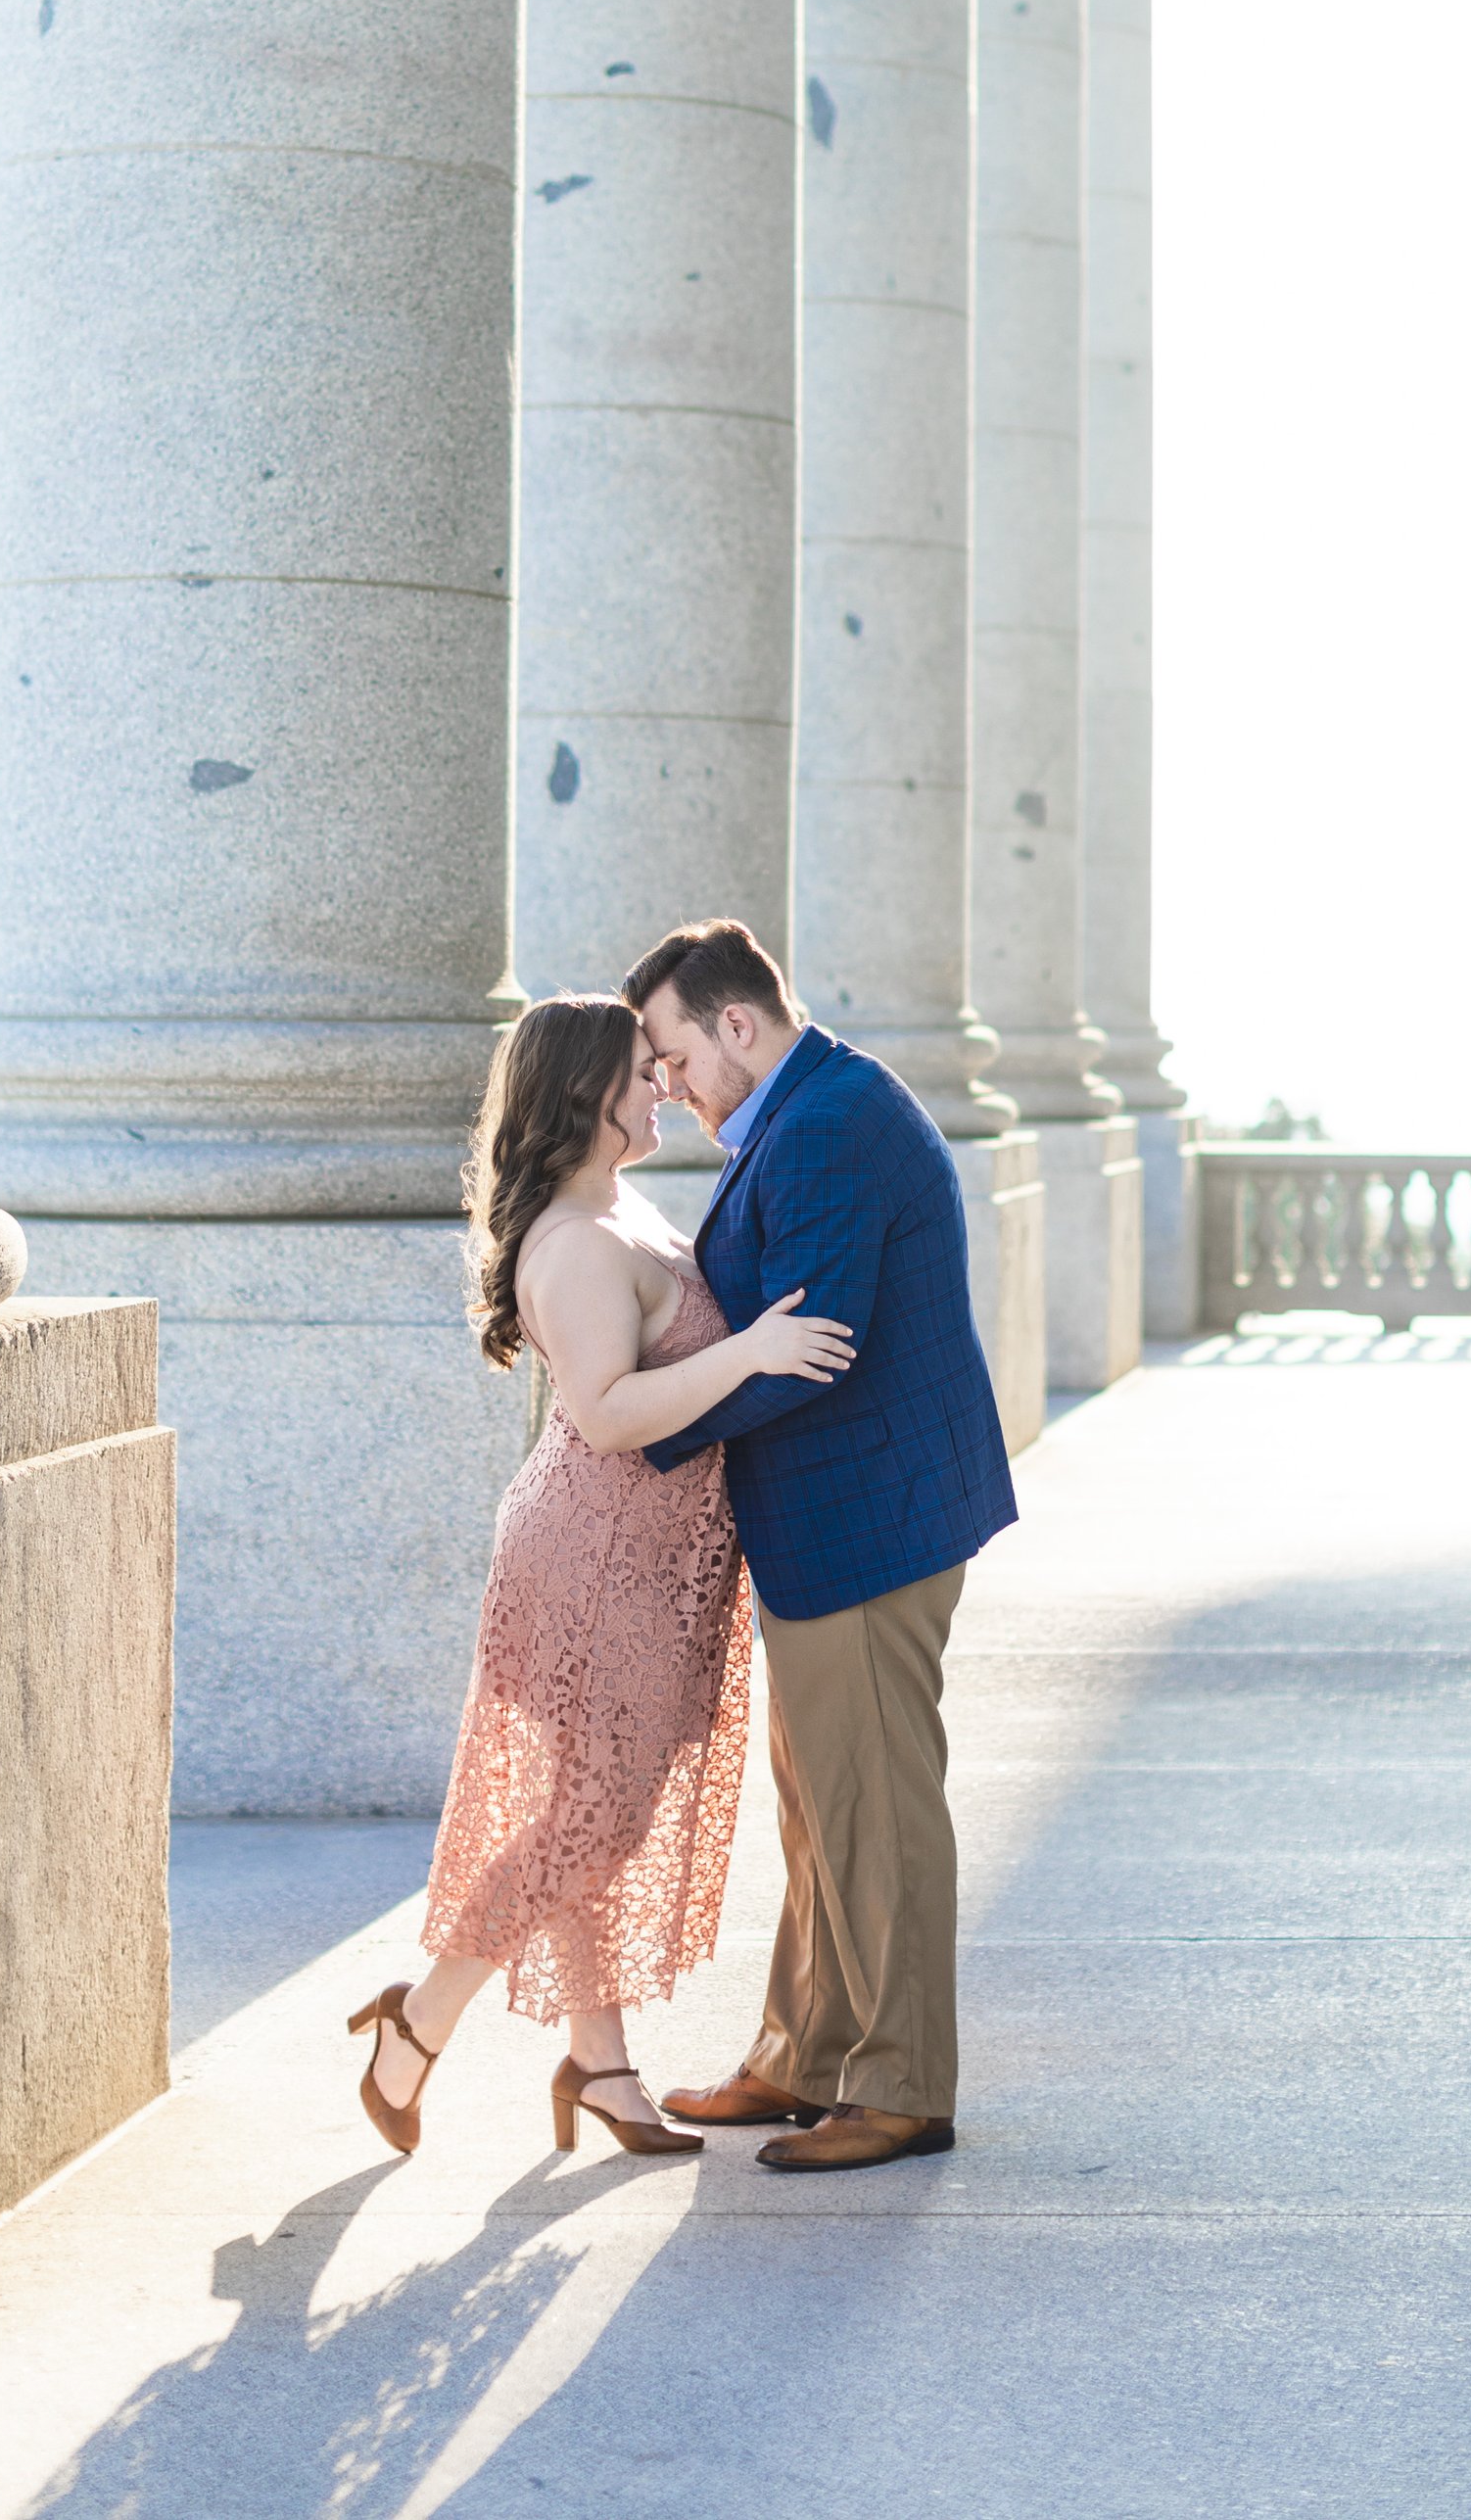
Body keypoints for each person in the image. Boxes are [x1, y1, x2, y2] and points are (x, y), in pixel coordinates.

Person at [348, 992, 856, 2160]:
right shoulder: (574, 1245)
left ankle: (602, 2066)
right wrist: (754, 1349)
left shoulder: (618, 1208)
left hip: (653, 1558)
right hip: (595, 1557)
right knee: (594, 1815)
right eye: (640, 1072)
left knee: (593, 1806)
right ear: (583, 1095)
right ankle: (416, 2025)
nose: (662, 1085)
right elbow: (610, 1415)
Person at [624, 918, 1018, 2172]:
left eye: (675, 1057)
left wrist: (631, 1438)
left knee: (875, 1808)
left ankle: (900, 2088)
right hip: (837, 1520)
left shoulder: (833, 1121)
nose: (668, 1086)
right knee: (822, 1805)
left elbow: (815, 1341)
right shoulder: (803, 1110)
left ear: (738, 1024)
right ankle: (803, 2055)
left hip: (868, 1522)